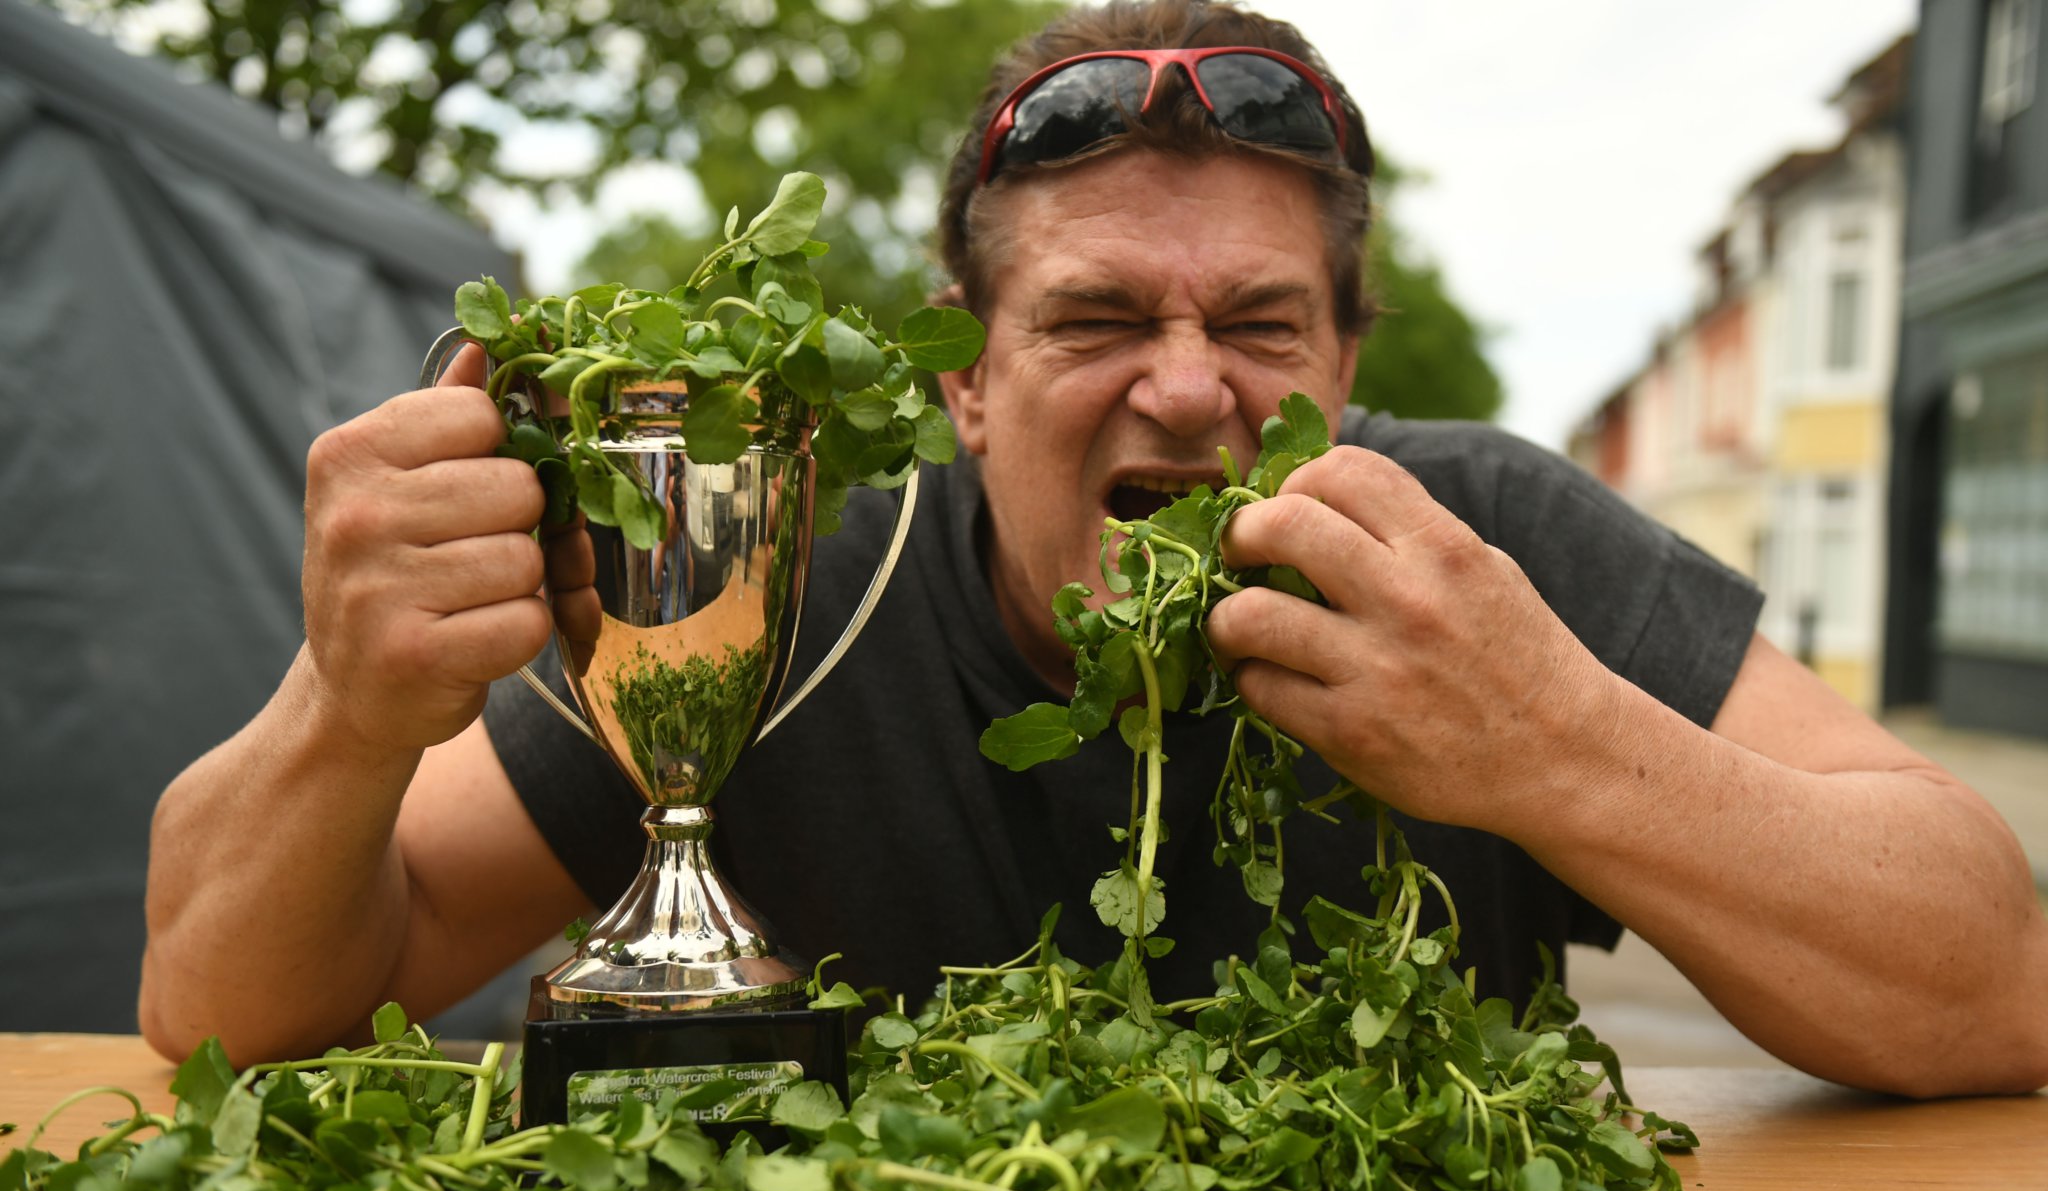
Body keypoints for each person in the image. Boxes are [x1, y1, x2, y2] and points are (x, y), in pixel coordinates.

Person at [141, 0, 2047, 1097]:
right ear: (967, 381)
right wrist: (345, 701)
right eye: (1095, 319)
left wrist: (1553, 743)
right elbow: (223, 1008)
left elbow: (1992, 975)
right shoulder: (799, 582)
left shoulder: (1491, 544)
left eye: (1265, 326)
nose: (1192, 389)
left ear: (1352, 366)